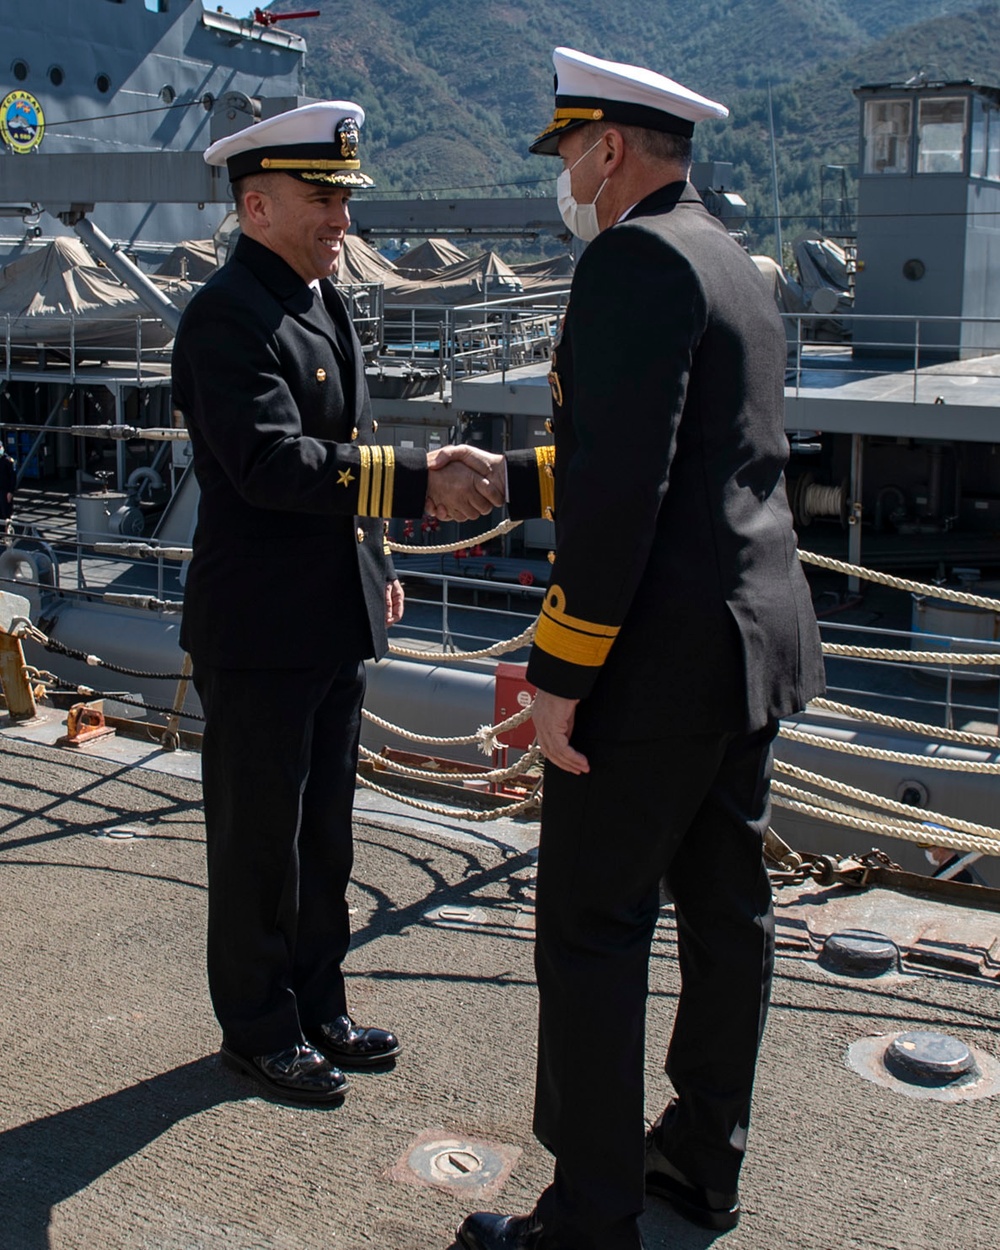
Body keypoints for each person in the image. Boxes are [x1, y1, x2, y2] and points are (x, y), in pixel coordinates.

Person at [453, 47, 825, 1250]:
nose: (566, 177)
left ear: (607, 147)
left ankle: (590, 1214)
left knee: (593, 927)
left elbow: (620, 490)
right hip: (748, 651)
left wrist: (560, 673)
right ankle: (697, 1166)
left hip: (651, 667)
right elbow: (695, 455)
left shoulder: (630, 257)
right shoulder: (733, 259)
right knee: (727, 919)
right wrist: (510, 473)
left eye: (568, 152)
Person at [171, 100, 500, 1105]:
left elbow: (341, 441)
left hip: (328, 611)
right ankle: (259, 1026)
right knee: (260, 836)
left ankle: (319, 1001)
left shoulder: (321, 302)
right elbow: (272, 463)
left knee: (327, 831)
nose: (341, 221)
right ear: (258, 202)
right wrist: (413, 479)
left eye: (344, 200)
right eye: (324, 200)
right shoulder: (225, 317)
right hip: (262, 626)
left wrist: (374, 550)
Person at [0, 449, 15, 534]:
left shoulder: (8, 461)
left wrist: (10, 491)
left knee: (5, 512)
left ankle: (7, 532)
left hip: (5, 490)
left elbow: (13, 477)